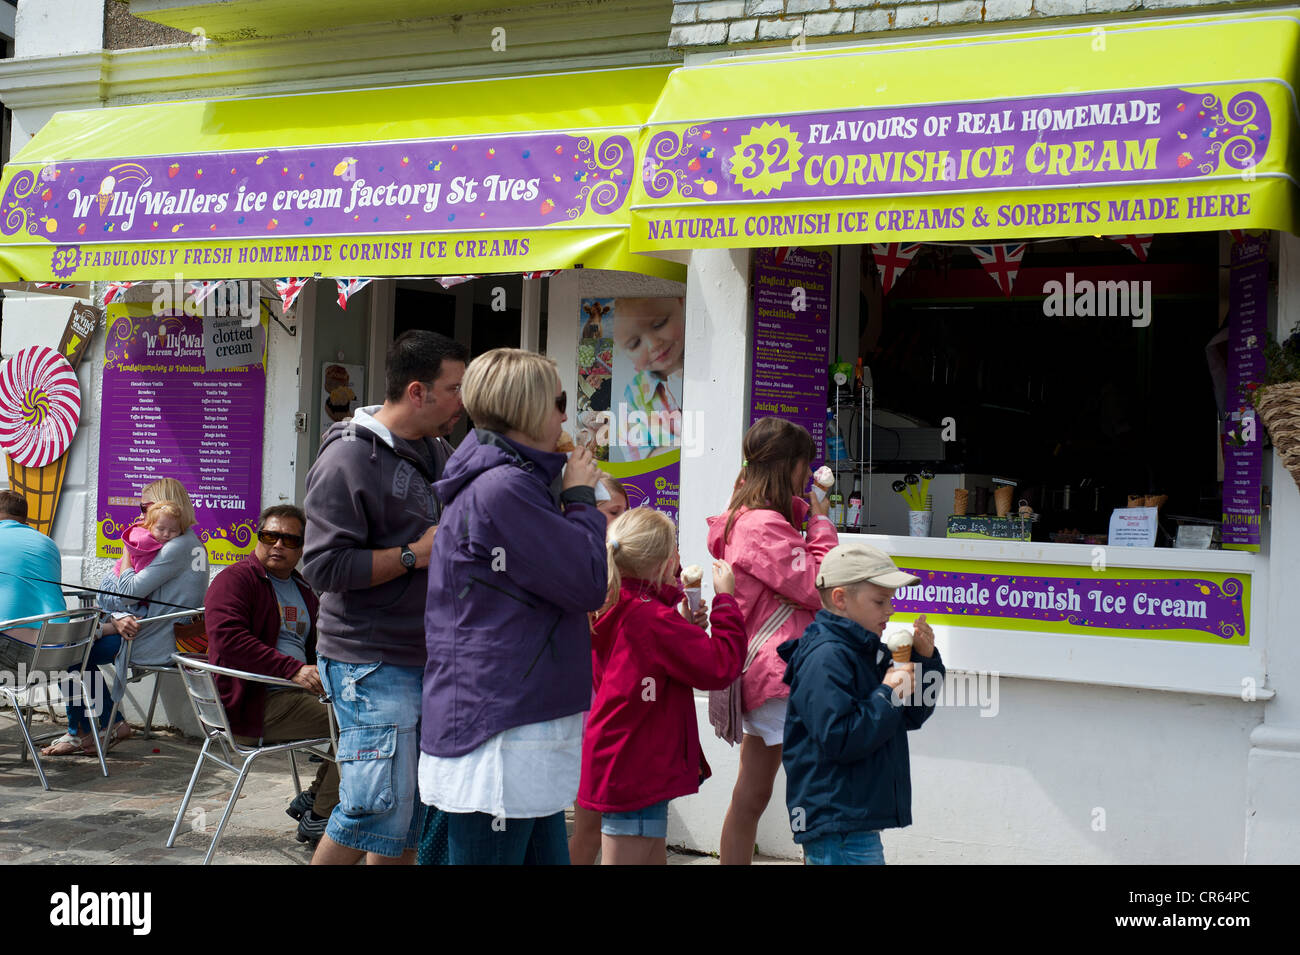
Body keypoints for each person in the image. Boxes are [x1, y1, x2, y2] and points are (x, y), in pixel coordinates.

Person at [421, 347, 606, 865]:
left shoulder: (511, 480)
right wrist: (581, 500)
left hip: (516, 719)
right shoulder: (505, 488)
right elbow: (588, 580)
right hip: (501, 727)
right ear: (528, 409)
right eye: (560, 401)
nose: (566, 416)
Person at [303, 330, 468, 866]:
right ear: (417, 392)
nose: (463, 402)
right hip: (369, 660)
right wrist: (413, 555)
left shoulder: (437, 450)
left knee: (405, 820)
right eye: (455, 389)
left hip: (422, 655)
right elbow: (322, 567)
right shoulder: (348, 458)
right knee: (372, 809)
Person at [579, 508, 746, 864]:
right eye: (675, 550)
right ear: (660, 563)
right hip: (637, 769)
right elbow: (720, 666)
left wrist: (682, 624)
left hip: (625, 762)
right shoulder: (651, 618)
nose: (679, 561)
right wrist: (726, 601)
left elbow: (643, 664)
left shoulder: (618, 606)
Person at [706, 416, 838, 864]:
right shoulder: (762, 525)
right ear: (790, 468)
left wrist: (804, 510)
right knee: (815, 792)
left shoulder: (744, 517)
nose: (808, 475)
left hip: (766, 674)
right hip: (781, 675)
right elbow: (822, 584)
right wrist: (820, 522)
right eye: (804, 466)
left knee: (753, 793)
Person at [778, 541, 944, 865]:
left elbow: (910, 716)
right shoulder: (826, 656)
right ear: (840, 599)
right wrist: (887, 694)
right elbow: (838, 736)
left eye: (891, 600)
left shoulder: (863, 650)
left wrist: (926, 663)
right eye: (880, 600)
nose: (890, 609)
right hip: (837, 825)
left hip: (853, 821)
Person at [204, 505, 339, 846]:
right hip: (253, 702)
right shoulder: (234, 580)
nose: (278, 544)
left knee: (365, 713)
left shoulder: (303, 587)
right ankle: (321, 817)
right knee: (361, 727)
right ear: (258, 538)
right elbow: (229, 639)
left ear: (302, 548)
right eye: (270, 536)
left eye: (290, 539)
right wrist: (292, 669)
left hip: (293, 694)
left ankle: (314, 798)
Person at [569, 472, 631, 865]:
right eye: (613, 512)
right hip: (591, 705)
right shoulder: (583, 564)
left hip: (615, 701)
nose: (623, 522)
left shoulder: (622, 563)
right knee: (592, 823)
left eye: (626, 512)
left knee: (619, 824)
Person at [611, 297, 684, 461]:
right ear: (623, 353)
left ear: (681, 302)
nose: (654, 344)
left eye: (660, 323)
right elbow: (637, 460)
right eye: (635, 343)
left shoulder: (708, 369)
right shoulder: (632, 397)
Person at [0, 489, 67, 669]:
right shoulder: (47, 543)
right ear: (24, 520)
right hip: (57, 652)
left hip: (16, 654)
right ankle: (96, 698)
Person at [114, 502, 184, 577]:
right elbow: (142, 577)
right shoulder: (146, 545)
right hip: (117, 580)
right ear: (150, 526)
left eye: (173, 530)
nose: (166, 534)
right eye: (161, 529)